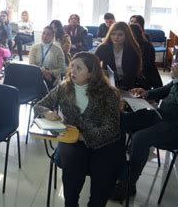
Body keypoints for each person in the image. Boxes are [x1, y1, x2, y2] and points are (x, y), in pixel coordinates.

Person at [110, 39, 178, 201]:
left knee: (140, 138)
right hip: (163, 117)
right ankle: (121, 170)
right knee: (120, 120)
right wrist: (146, 93)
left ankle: (128, 185)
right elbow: (167, 89)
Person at [34, 52, 123, 207]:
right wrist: (47, 112)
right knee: (73, 168)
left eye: (79, 68)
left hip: (103, 142)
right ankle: (71, 203)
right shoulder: (64, 87)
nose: (72, 71)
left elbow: (112, 128)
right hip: (72, 139)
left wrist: (84, 136)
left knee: (103, 175)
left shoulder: (108, 93)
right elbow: (39, 105)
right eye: (72, 66)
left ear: (91, 73)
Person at [95, 22, 142, 90]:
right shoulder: (103, 48)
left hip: (129, 84)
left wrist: (120, 88)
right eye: (113, 34)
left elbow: (131, 75)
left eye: (120, 34)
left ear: (126, 36)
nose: (116, 37)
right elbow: (92, 64)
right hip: (108, 82)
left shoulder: (132, 50)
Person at [28, 26, 66, 90]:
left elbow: (62, 69)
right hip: (36, 74)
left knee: (48, 83)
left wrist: (49, 72)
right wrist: (43, 72)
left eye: (48, 34)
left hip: (52, 77)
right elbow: (31, 64)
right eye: (43, 33)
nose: (45, 36)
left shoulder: (58, 50)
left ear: (53, 36)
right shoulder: (34, 47)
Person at [130, 24, 163, 89]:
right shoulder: (131, 45)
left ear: (134, 35)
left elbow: (146, 65)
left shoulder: (146, 46)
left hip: (144, 77)